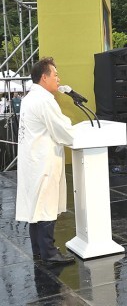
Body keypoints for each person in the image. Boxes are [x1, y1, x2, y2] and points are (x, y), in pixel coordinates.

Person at [16, 57, 75, 264]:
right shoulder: (44, 100)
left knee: (37, 207)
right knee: (46, 205)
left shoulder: (29, 98)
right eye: (55, 75)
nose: (58, 79)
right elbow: (63, 131)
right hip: (43, 160)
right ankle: (49, 253)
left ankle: (39, 250)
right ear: (44, 77)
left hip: (32, 160)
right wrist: (69, 124)